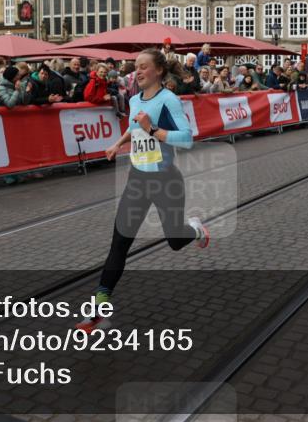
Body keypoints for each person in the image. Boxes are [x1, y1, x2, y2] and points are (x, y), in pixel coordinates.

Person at [77, 49, 209, 333]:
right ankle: (99, 312)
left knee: (175, 241)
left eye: (144, 67)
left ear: (158, 71)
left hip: (165, 181)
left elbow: (187, 140)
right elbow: (137, 126)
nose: (137, 71)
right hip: (138, 180)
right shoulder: (135, 98)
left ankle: (196, 229)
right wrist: (119, 143)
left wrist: (153, 131)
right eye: (135, 67)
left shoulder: (169, 101)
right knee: (119, 245)